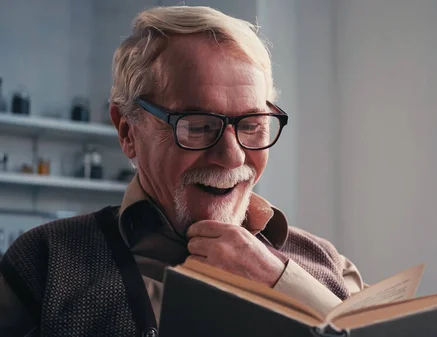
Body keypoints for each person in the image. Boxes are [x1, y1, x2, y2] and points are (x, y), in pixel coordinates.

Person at [0, 6, 365, 336]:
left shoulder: (328, 264)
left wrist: (283, 286)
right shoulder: (43, 264)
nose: (232, 157)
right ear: (128, 131)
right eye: (198, 125)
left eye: (252, 124)